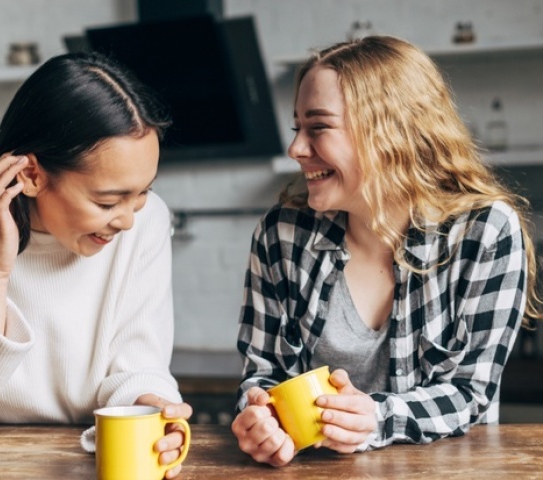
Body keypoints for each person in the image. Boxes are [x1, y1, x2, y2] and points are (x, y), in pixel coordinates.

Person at [231, 35, 542, 466]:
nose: (296, 149)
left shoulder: (484, 231)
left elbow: (470, 393)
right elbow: (263, 374)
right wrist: (259, 418)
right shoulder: (281, 234)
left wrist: (377, 418)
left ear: (389, 131)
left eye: (318, 127)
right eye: (297, 128)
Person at [0, 52, 190, 478]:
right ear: (32, 175)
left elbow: (136, 365)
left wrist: (150, 404)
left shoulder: (145, 223)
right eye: (108, 201)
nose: (128, 220)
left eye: (143, 192)